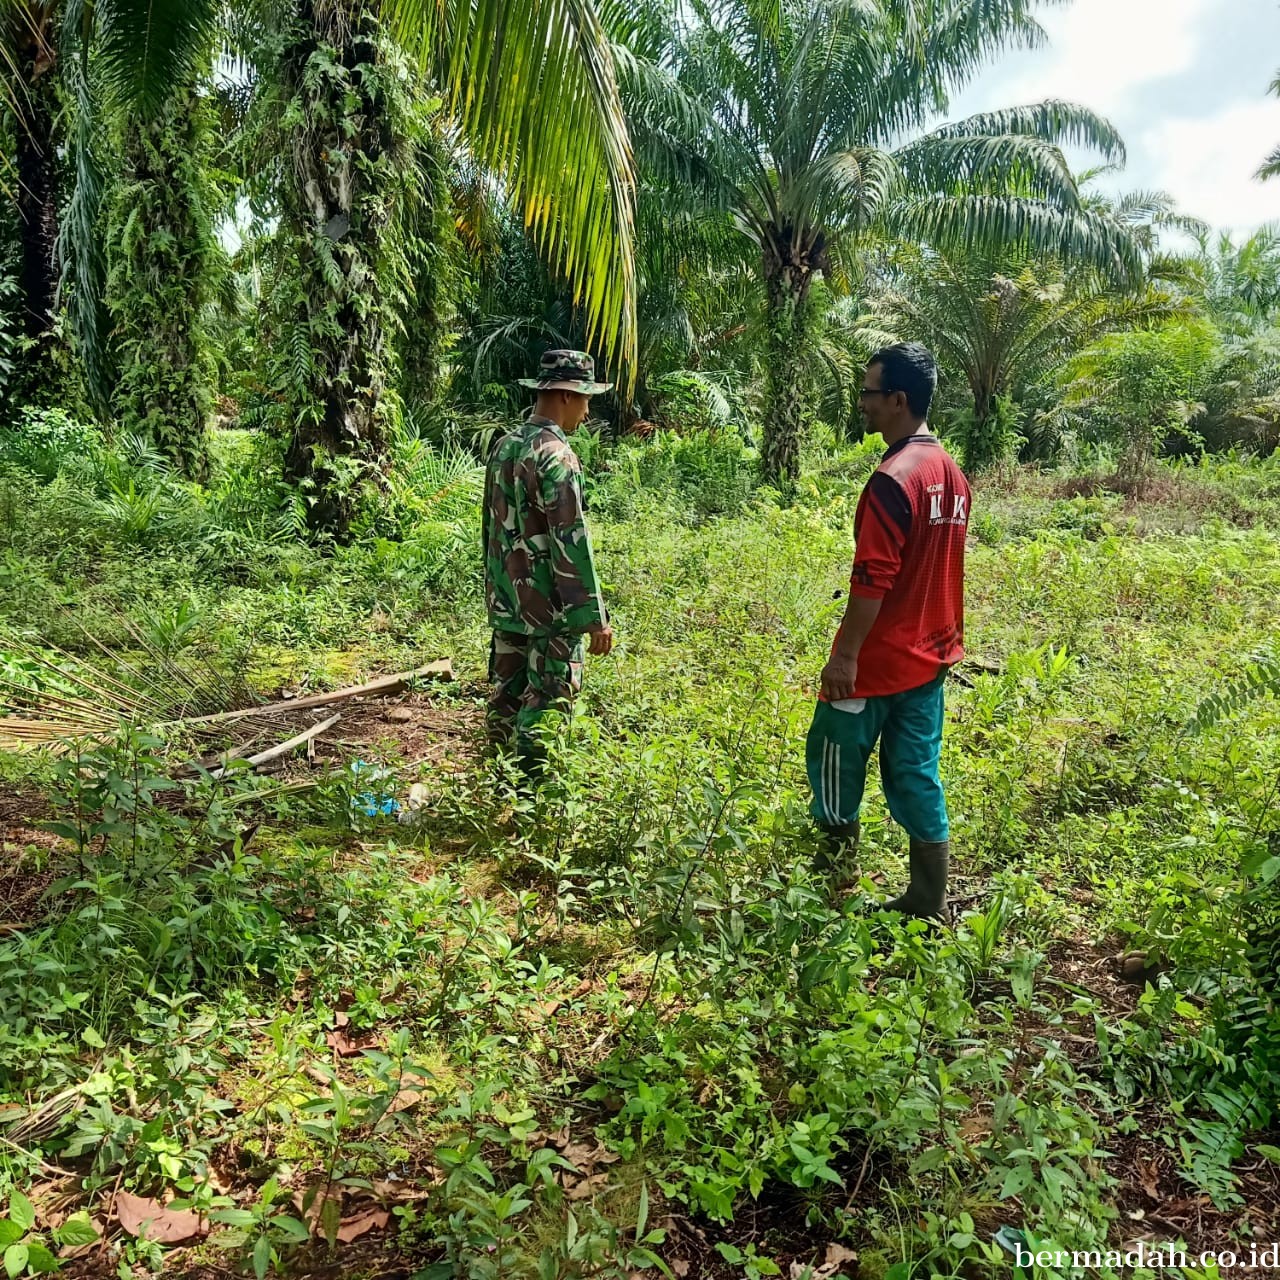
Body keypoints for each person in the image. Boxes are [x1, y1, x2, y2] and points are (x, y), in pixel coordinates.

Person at [807, 343, 970, 918]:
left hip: (876, 664)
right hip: (931, 659)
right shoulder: (950, 472)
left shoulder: (892, 479)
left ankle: (832, 882)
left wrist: (845, 656)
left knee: (832, 755)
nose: (863, 405)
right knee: (917, 773)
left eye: (870, 393)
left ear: (898, 400)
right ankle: (928, 899)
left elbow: (873, 578)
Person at [482, 349, 614, 782]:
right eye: (585, 398)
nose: (587, 409)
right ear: (564, 396)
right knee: (550, 697)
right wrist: (593, 617)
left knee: (506, 694)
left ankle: (498, 785)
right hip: (551, 609)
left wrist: (499, 593)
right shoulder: (556, 455)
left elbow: (491, 529)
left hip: (509, 599)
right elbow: (571, 538)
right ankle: (534, 799)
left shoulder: (504, 447)